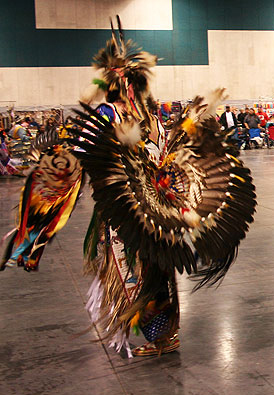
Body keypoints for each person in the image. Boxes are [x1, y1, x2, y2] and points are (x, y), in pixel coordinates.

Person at [65, 21, 257, 358]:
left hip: (135, 210)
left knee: (142, 272)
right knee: (156, 270)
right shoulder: (147, 113)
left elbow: (84, 153)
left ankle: (162, 335)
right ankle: (165, 335)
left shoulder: (112, 113)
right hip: (151, 208)